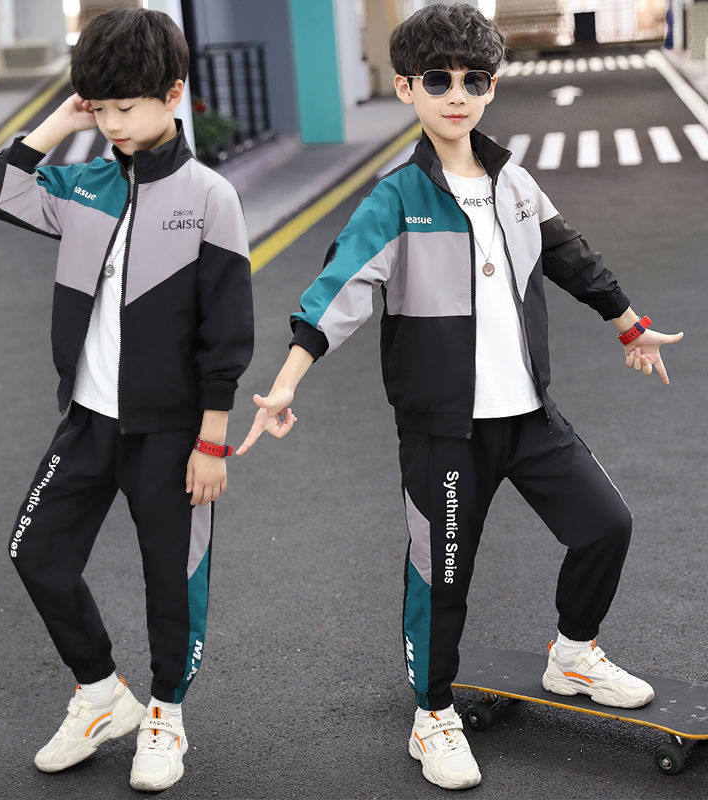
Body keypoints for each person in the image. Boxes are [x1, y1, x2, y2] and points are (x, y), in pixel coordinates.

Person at [235, 2, 683, 791]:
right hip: (444, 431)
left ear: (491, 87)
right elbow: (336, 291)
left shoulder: (514, 181)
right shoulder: (395, 198)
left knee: (606, 525)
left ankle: (573, 654)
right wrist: (285, 382)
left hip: (529, 416)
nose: (457, 94)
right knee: (441, 578)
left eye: (474, 79)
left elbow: (569, 256)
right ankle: (432, 714)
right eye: (437, 80)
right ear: (407, 87)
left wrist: (629, 326)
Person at [0, 8, 253, 792]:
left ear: (173, 94)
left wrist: (212, 440)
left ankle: (166, 714)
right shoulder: (85, 186)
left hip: (172, 434)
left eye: (126, 106)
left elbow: (228, 330)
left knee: (172, 581)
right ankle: (100, 693)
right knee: (35, 552)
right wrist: (63, 119)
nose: (114, 123)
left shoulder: (210, 197)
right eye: (100, 108)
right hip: (90, 421)